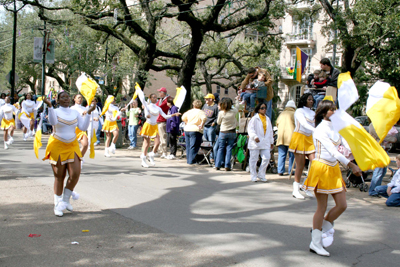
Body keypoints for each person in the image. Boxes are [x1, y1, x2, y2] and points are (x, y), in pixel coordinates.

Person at [303, 100, 361, 256]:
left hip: (334, 168)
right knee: (321, 207)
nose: (334, 112)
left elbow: (346, 145)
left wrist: (361, 157)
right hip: (321, 168)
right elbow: (334, 152)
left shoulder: (336, 127)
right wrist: (351, 165)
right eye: (331, 110)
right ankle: (315, 242)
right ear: (323, 112)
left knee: (342, 205)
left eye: (335, 109)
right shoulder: (320, 130)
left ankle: (324, 227)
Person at [42, 92, 96, 217]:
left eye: (67, 97)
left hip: (72, 145)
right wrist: (50, 107)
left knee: (75, 174)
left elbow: (83, 127)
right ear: (58, 100)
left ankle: (65, 201)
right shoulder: (54, 111)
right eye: (62, 97)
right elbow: (53, 122)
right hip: (58, 145)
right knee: (59, 176)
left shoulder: (74, 112)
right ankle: (57, 204)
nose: (65, 99)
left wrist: (88, 112)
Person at [140, 93, 180, 167]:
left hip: (155, 126)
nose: (155, 99)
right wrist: (147, 116)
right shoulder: (147, 107)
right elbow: (146, 115)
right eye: (153, 97)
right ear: (150, 98)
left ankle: (151, 155)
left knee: (157, 142)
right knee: (146, 144)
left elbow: (165, 116)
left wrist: (173, 114)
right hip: (148, 125)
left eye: (156, 97)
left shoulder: (158, 108)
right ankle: (143, 160)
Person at [288, 93, 316, 199]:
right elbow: (303, 124)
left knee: (315, 163)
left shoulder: (313, 112)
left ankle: (306, 185)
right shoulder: (299, 111)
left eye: (312, 99)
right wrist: (315, 130)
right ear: (304, 100)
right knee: (300, 165)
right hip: (299, 137)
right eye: (309, 99)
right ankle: (295, 189)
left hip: (310, 139)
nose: (311, 101)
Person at [368, 122, 396, 196]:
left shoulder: (383, 123)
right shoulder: (373, 124)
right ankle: (373, 191)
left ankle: (377, 189)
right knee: (378, 171)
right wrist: (392, 139)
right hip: (377, 150)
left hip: (384, 150)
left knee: (383, 171)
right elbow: (381, 135)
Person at [247, 102, 274, 181]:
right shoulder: (254, 118)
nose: (264, 110)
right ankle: (253, 175)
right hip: (255, 142)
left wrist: (271, 142)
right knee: (253, 159)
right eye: (262, 108)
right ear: (258, 109)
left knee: (266, 158)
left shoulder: (267, 119)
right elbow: (250, 129)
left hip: (265, 142)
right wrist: (254, 136)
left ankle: (261, 174)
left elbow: (270, 131)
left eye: (265, 108)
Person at [215, 98, 238, 171]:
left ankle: (217, 164)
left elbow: (218, 122)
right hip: (232, 131)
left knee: (221, 148)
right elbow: (236, 107)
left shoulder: (221, 113)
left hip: (223, 132)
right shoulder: (234, 111)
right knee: (229, 148)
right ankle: (227, 165)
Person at [182, 100, 207, 165]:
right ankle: (191, 160)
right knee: (194, 145)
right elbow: (204, 118)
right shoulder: (201, 112)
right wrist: (201, 124)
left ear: (193, 105)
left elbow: (183, 117)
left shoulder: (189, 111)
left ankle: (188, 159)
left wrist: (186, 122)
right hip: (196, 129)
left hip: (187, 128)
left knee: (188, 145)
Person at [276, 100, 296, 176]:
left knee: (281, 154)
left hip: (281, 138)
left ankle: (280, 170)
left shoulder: (281, 114)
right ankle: (291, 170)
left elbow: (277, 124)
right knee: (292, 156)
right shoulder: (295, 114)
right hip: (291, 138)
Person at [70, 94, 89, 161]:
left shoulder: (84, 108)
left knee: (85, 144)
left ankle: (79, 158)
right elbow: (72, 117)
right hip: (73, 129)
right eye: (78, 98)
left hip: (81, 129)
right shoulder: (72, 108)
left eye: (81, 98)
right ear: (74, 99)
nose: (80, 99)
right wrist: (82, 114)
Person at [202, 93, 219, 160]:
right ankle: (207, 156)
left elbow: (218, 116)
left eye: (207, 99)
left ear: (211, 99)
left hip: (211, 127)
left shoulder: (215, 107)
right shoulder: (205, 105)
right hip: (205, 126)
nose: (205, 100)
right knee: (205, 141)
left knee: (211, 141)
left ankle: (212, 157)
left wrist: (214, 122)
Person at [153, 87, 169, 158]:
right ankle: (160, 151)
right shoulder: (160, 100)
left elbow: (160, 107)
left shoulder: (167, 100)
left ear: (163, 93)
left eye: (160, 92)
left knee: (163, 137)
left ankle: (164, 152)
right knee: (158, 137)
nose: (159, 93)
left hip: (162, 120)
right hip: (158, 120)